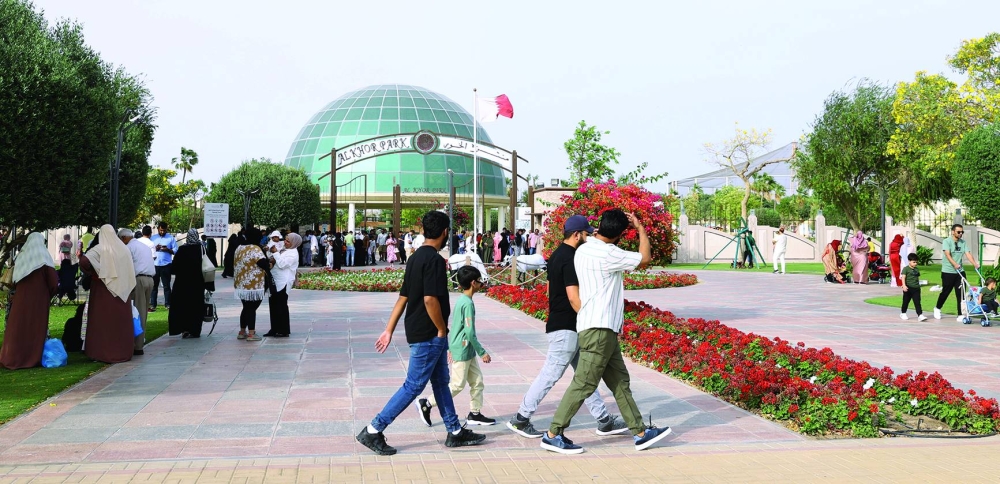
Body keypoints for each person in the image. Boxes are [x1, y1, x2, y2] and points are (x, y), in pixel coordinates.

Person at [356, 211, 486, 456]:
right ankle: (374, 429)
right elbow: (429, 300)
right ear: (445, 232)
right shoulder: (435, 260)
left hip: (417, 329)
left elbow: (403, 297)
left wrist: (389, 330)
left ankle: (455, 431)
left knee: (440, 382)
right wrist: (440, 329)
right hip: (429, 333)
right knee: (413, 386)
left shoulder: (415, 258)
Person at [542, 209, 672, 454]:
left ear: (599, 226)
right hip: (599, 329)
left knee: (620, 383)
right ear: (621, 234)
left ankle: (641, 433)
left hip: (601, 329)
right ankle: (553, 434)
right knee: (583, 384)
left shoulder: (583, 248)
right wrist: (641, 228)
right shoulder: (610, 253)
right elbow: (644, 259)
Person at [507, 215, 629, 439]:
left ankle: (603, 420)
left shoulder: (556, 256)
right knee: (551, 374)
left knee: (586, 375)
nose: (589, 237)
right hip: (568, 326)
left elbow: (549, 290)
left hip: (564, 323)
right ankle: (521, 418)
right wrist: (590, 320)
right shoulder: (572, 257)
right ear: (577, 235)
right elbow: (574, 298)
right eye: (586, 233)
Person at [416, 265, 496, 426]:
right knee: (457, 385)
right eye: (480, 281)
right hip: (463, 348)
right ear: (473, 283)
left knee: (477, 381)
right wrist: (482, 352)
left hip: (467, 349)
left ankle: (475, 413)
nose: (482, 284)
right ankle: (427, 403)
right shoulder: (467, 304)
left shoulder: (463, 300)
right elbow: (469, 331)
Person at [80, 225, 136, 364]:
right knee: (120, 323)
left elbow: (84, 261)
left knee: (103, 322)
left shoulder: (100, 249)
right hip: (122, 291)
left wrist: (94, 271)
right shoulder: (124, 249)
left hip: (103, 290)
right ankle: (123, 351)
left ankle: (102, 353)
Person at [1, 233, 57, 369]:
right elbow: (53, 282)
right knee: (35, 328)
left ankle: (11, 357)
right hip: (39, 300)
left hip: (20, 298)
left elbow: (14, 279)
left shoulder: (22, 257)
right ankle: (31, 358)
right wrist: (50, 294)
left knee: (18, 327)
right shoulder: (44, 258)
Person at [119, 229, 155, 355]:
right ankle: (139, 342)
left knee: (136, 313)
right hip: (150, 280)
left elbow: (124, 267)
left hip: (138, 280)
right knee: (143, 312)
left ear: (124, 238)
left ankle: (137, 346)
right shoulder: (143, 246)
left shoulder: (129, 247)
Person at [934, 224, 980, 322]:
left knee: (961, 293)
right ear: (953, 232)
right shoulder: (947, 241)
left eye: (962, 232)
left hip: (960, 272)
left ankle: (961, 314)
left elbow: (968, 254)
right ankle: (937, 308)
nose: (960, 234)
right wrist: (954, 264)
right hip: (948, 271)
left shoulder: (963, 242)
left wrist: (975, 264)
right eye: (958, 232)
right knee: (946, 291)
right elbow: (947, 254)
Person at [169, 229, 210, 339]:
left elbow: (174, 268)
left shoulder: (182, 250)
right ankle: (195, 330)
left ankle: (184, 329)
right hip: (197, 283)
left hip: (182, 284)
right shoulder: (201, 249)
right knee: (196, 306)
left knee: (183, 306)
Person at [235, 228, 269, 341]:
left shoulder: (239, 247)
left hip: (241, 283)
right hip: (254, 284)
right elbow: (263, 263)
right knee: (251, 308)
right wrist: (272, 262)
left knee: (246, 307)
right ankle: (251, 333)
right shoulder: (255, 248)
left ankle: (242, 331)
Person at [265, 232, 300, 337]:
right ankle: (274, 329)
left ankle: (283, 330)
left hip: (283, 282)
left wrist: (275, 253)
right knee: (274, 305)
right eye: (285, 239)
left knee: (281, 306)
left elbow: (282, 264)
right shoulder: (285, 250)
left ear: (294, 243)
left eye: (288, 241)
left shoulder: (293, 253)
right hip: (276, 281)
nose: (285, 242)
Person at [150, 222, 178, 312]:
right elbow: (149, 250)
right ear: (158, 229)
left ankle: (168, 304)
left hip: (166, 265)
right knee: (154, 286)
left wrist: (167, 250)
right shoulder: (153, 238)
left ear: (167, 229)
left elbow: (175, 250)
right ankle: (153, 304)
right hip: (155, 264)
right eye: (161, 230)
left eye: (164, 230)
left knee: (166, 286)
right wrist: (156, 249)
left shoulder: (171, 238)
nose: (162, 232)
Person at [900, 253, 927, 321]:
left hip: (916, 288)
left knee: (917, 302)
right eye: (914, 262)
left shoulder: (917, 269)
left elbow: (917, 278)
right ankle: (903, 313)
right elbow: (903, 277)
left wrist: (919, 285)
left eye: (916, 262)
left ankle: (920, 315)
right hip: (908, 288)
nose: (915, 263)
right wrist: (904, 285)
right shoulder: (906, 269)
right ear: (909, 261)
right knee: (906, 301)